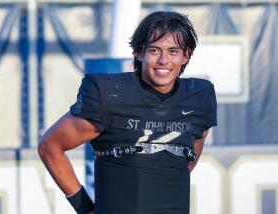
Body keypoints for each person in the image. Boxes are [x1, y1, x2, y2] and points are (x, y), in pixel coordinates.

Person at [38, 10, 217, 214]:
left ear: (186, 56)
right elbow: (50, 146)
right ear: (139, 53)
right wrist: (85, 209)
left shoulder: (199, 97)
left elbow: (196, 142)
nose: (164, 61)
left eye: (173, 51)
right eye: (155, 50)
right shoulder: (109, 94)